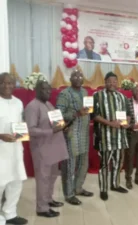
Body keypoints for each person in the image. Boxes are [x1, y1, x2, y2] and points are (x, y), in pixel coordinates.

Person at [24, 80, 69, 218]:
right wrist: (51, 131)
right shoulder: (32, 106)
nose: (47, 92)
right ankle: (42, 208)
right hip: (41, 148)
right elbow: (30, 130)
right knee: (43, 178)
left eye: (49, 90)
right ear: (37, 90)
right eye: (44, 89)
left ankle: (48, 199)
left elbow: (54, 123)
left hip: (53, 147)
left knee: (52, 176)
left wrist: (62, 126)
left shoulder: (49, 104)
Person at [56, 70, 93, 205]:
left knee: (84, 164)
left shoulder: (85, 92)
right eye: (75, 76)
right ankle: (69, 194)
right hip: (71, 134)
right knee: (69, 166)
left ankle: (78, 188)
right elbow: (58, 114)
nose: (78, 78)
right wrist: (76, 113)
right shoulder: (64, 94)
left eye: (80, 76)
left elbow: (88, 111)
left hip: (84, 133)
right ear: (70, 79)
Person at [93, 72, 130, 201]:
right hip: (105, 138)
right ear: (105, 82)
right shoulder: (97, 96)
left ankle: (115, 184)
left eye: (115, 81)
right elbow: (94, 115)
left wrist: (127, 123)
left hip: (120, 138)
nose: (112, 83)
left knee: (118, 163)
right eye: (110, 81)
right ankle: (103, 189)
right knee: (104, 164)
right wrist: (110, 123)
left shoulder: (122, 97)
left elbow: (129, 113)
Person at [0, 73, 27, 225]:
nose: (7, 86)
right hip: (1, 150)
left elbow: (20, 123)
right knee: (0, 183)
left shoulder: (18, 103)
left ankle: (10, 213)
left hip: (16, 149)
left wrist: (22, 131)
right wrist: (0, 136)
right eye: (3, 83)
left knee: (16, 181)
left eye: (10, 83)